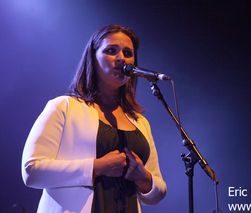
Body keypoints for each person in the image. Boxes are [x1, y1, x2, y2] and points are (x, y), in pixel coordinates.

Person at [21, 24, 167, 213]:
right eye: (111, 50)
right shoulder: (64, 106)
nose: (121, 58)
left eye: (128, 53)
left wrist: (143, 177)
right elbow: (31, 171)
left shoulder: (140, 122)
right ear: (93, 58)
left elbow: (158, 192)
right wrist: (96, 167)